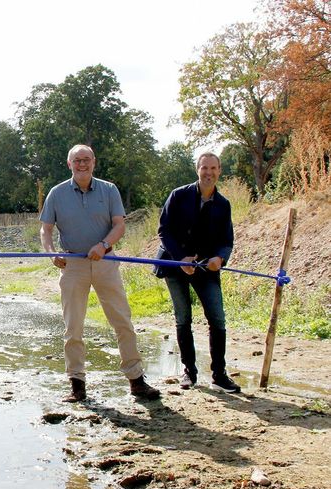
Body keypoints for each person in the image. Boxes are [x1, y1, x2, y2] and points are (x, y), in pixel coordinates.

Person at [40, 144, 161, 402]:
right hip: (72, 266)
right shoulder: (56, 193)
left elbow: (119, 225)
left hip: (106, 263)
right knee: (73, 327)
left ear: (94, 162)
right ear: (69, 164)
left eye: (86, 160)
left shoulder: (109, 190)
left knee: (122, 322)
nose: (82, 164)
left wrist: (104, 245)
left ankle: (137, 380)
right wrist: (52, 253)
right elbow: (46, 229)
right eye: (77, 161)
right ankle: (77, 384)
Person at [154, 152, 240, 393]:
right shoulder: (178, 195)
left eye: (213, 168)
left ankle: (219, 374)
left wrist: (220, 258)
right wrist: (181, 258)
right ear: (197, 169)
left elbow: (227, 240)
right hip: (174, 263)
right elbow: (164, 230)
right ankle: (189, 372)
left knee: (218, 319)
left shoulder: (223, 204)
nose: (208, 172)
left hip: (206, 269)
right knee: (183, 318)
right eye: (204, 168)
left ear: (220, 171)